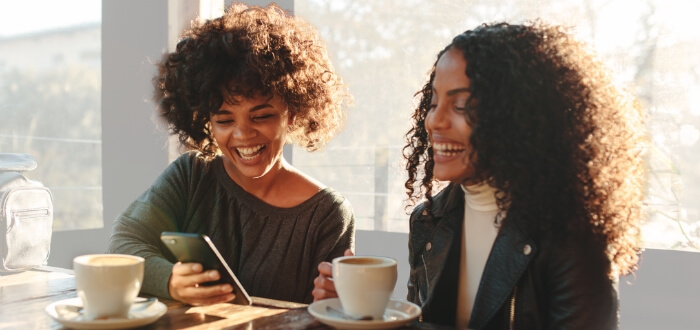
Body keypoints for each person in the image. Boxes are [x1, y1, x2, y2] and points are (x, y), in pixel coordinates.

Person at [313, 21, 645, 329]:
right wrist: (355, 315)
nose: (434, 122)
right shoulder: (429, 221)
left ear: (518, 117)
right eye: (432, 103)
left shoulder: (570, 236)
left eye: (460, 106)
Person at [108, 3, 354, 306]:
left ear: (292, 114)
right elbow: (123, 245)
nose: (242, 135)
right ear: (206, 121)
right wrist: (170, 280)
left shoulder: (327, 214)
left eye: (261, 116)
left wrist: (340, 304)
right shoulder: (191, 175)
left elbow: (331, 310)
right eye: (224, 120)